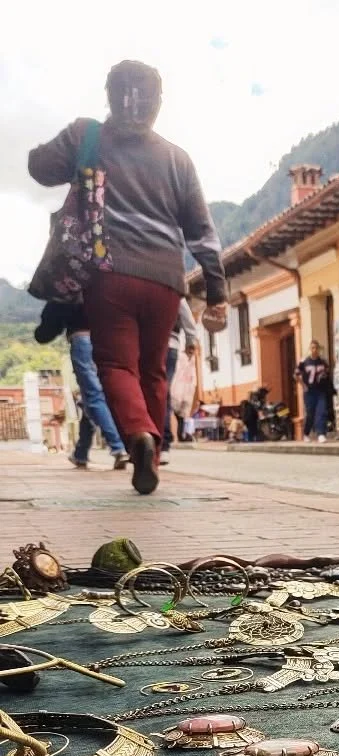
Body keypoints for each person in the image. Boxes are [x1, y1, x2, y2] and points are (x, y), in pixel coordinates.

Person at [28, 60, 227, 496]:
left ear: (110, 96)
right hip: (166, 281)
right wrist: (216, 291)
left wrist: (64, 147)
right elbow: (202, 231)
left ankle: (137, 434)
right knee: (153, 371)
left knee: (117, 365)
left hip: (110, 274)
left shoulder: (88, 137)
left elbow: (39, 168)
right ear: (158, 103)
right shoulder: (177, 159)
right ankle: (151, 453)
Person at [34, 302, 128, 470]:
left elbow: (46, 331)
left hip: (83, 340)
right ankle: (81, 453)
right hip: (111, 341)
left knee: (93, 396)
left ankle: (118, 447)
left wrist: (43, 326)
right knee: (89, 399)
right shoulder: (103, 279)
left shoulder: (68, 284)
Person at [161, 298, 199, 465]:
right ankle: (163, 446)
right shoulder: (172, 280)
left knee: (147, 391)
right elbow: (186, 314)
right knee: (162, 391)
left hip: (147, 343)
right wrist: (191, 340)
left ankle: (151, 440)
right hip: (170, 344)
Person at [296, 341, 331, 443]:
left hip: (320, 391)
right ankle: (306, 433)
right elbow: (296, 375)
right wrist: (303, 385)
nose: (314, 350)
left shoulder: (323, 362)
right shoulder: (304, 362)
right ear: (310, 349)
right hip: (309, 392)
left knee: (321, 411)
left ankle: (321, 433)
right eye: (312, 348)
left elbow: (327, 373)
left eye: (316, 348)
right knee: (310, 413)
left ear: (318, 349)